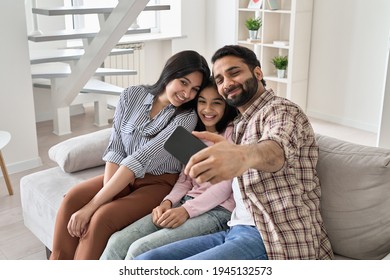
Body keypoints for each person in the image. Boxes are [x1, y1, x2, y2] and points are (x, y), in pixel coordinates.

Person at [135, 45, 334, 260]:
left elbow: (276, 150)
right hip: (234, 230)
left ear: (257, 73)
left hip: (273, 236)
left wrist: (243, 156)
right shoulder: (238, 125)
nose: (226, 83)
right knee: (146, 260)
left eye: (234, 73)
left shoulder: (282, 111)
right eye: (219, 80)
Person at [49, 50, 211, 260]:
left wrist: (94, 205)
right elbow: (116, 148)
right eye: (183, 82)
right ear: (169, 73)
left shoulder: (186, 117)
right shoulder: (131, 95)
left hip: (157, 183)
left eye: (194, 89)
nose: (187, 93)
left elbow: (140, 159)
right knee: (72, 199)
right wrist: (109, 193)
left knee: (101, 218)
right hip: (120, 175)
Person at [100, 78, 238, 260]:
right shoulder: (192, 135)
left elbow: (225, 186)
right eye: (202, 101)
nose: (207, 109)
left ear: (226, 106)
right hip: (185, 203)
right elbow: (185, 179)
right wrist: (167, 203)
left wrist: (186, 210)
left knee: (140, 249)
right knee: (117, 242)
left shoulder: (233, 134)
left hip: (218, 212)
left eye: (216, 103)